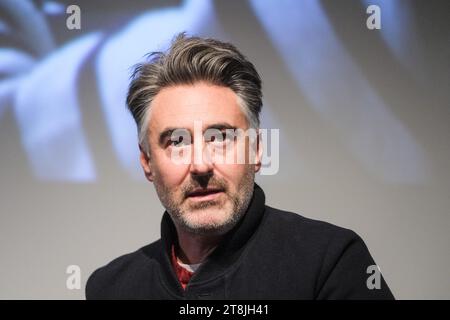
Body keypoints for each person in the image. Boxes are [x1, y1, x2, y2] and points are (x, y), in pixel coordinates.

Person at [85, 33, 394, 300]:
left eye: (219, 138)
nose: (201, 165)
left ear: (257, 150)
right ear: (147, 162)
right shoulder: (111, 287)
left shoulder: (331, 262)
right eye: (177, 142)